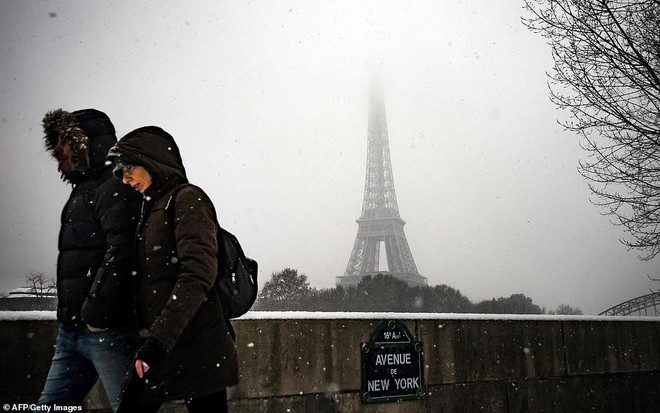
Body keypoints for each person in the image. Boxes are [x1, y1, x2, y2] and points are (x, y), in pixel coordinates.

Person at [107, 126, 238, 413]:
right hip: (166, 341)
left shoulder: (187, 199)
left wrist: (157, 341)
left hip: (193, 343)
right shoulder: (152, 208)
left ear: (152, 162)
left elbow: (197, 274)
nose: (125, 179)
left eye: (128, 169)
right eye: (120, 173)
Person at [38, 109, 141, 412]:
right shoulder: (85, 188)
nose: (57, 149)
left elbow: (121, 251)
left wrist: (97, 314)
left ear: (83, 143)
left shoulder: (112, 186)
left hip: (104, 332)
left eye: (63, 140)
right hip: (72, 331)